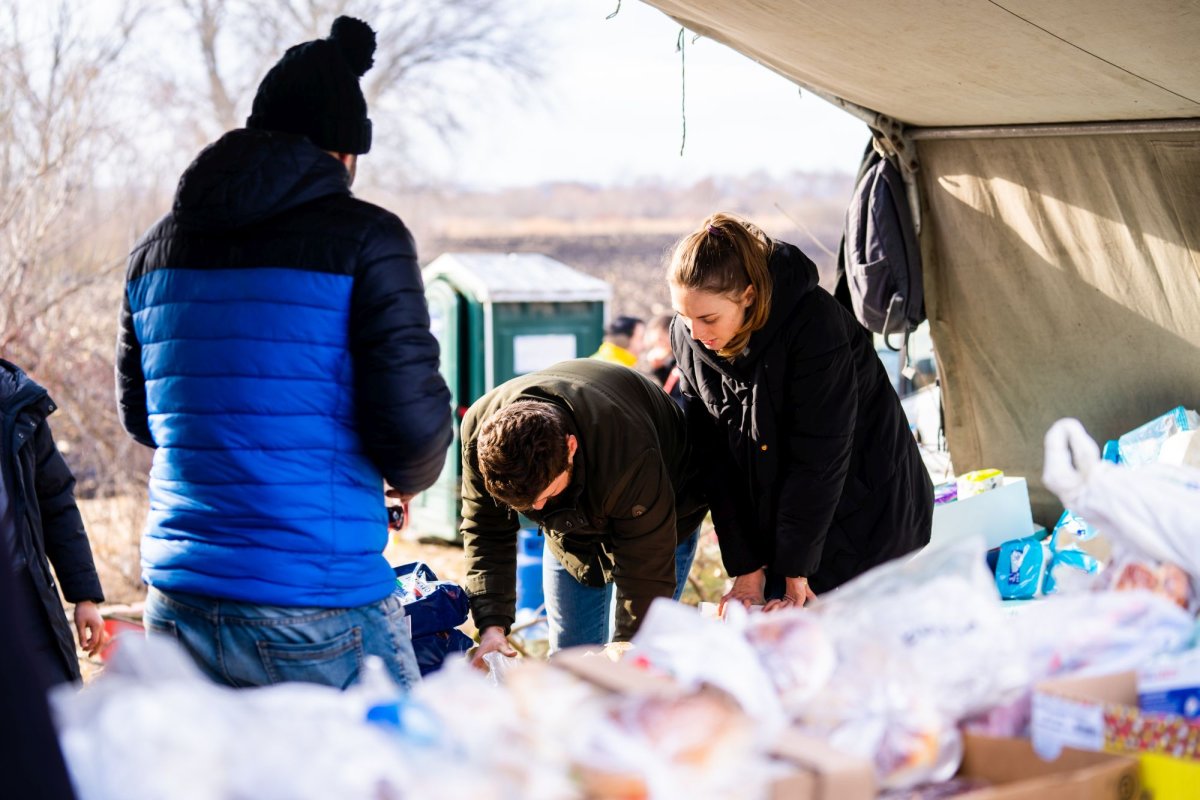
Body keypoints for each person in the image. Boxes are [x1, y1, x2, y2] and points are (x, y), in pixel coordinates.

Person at [116, 17, 452, 690]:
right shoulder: (366, 240)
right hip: (315, 604)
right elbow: (414, 437)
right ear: (344, 153)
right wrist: (400, 477)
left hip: (178, 603)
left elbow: (145, 420)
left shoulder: (153, 250)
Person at [666, 212, 932, 613]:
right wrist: (748, 568)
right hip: (791, 524)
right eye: (685, 317)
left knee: (847, 640)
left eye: (707, 318)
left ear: (749, 296)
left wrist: (795, 573)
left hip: (866, 508)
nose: (696, 333)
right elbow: (715, 461)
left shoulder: (814, 324)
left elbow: (819, 456)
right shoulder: (689, 341)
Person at [460, 359, 707, 664]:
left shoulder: (628, 450)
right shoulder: (478, 434)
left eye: (546, 496)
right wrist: (491, 626)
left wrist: (628, 651)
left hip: (662, 514)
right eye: (523, 506)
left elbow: (645, 571)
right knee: (569, 661)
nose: (536, 509)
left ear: (570, 447)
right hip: (569, 529)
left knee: (636, 659)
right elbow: (485, 529)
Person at [1, 359, 106, 687]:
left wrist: (84, 596)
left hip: (23, 594)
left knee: (57, 714)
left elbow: (56, 502)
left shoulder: (16, 401)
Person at [641, 312, 685, 408]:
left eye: (660, 339)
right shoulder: (670, 363)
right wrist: (659, 369)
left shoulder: (684, 363)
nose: (658, 346)